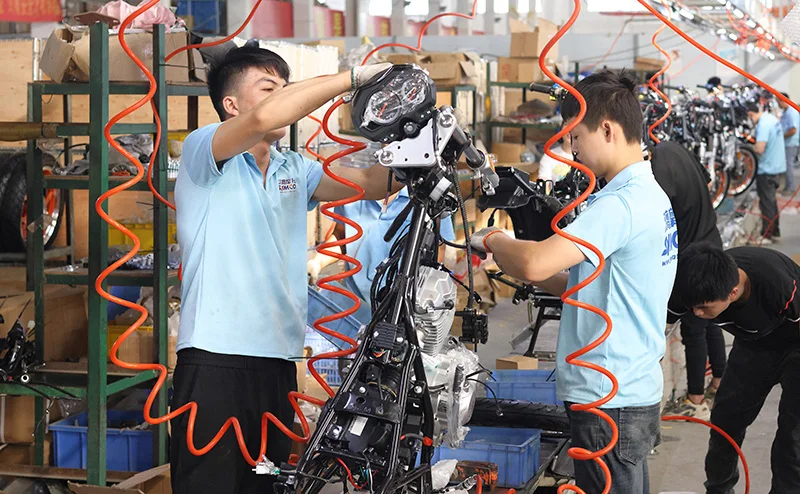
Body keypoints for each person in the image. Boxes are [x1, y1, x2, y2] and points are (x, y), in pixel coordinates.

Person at [171, 45, 397, 494]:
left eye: (285, 88)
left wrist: (430, 148)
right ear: (231, 104)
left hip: (277, 361)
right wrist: (352, 79)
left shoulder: (294, 168)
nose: (283, 98)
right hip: (215, 359)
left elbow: (372, 184)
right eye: (268, 88)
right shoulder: (204, 150)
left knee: (266, 484)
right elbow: (261, 119)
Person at [470, 70, 677, 493]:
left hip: (608, 396)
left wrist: (493, 239)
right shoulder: (649, 195)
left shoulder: (620, 205)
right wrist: (526, 269)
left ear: (608, 130)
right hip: (628, 388)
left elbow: (535, 262)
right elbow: (586, 287)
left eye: (576, 136)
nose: (573, 148)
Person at [675, 243, 800, 494]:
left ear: (732, 293)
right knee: (725, 421)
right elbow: (659, 327)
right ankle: (719, 490)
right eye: (693, 307)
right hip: (753, 344)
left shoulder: (777, 284)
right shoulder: (694, 285)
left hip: (795, 344)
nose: (697, 314)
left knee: (793, 435)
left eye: (704, 307)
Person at [650, 141, 727, 421]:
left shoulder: (658, 169)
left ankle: (696, 400)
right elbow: (707, 181)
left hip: (692, 257)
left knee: (694, 329)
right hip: (711, 241)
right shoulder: (676, 149)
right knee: (710, 321)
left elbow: (655, 215)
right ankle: (718, 381)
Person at [306, 187, 456, 311]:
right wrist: (317, 263)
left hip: (407, 304)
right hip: (358, 303)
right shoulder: (354, 191)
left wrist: (427, 294)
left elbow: (439, 249)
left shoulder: (429, 198)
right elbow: (341, 236)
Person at [747, 101, 785, 243]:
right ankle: (775, 231)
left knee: (766, 203)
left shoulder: (762, 125)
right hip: (777, 166)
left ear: (751, 114)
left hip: (767, 169)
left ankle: (767, 235)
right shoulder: (771, 118)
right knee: (771, 201)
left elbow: (760, 148)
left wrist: (747, 148)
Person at [778, 92, 799, 193]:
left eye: (778, 102)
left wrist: (781, 137)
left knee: (788, 166)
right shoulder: (786, 112)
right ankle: (787, 186)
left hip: (791, 143)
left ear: (783, 101)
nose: (778, 104)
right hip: (787, 143)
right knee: (786, 166)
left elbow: (793, 130)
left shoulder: (792, 113)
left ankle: (790, 188)